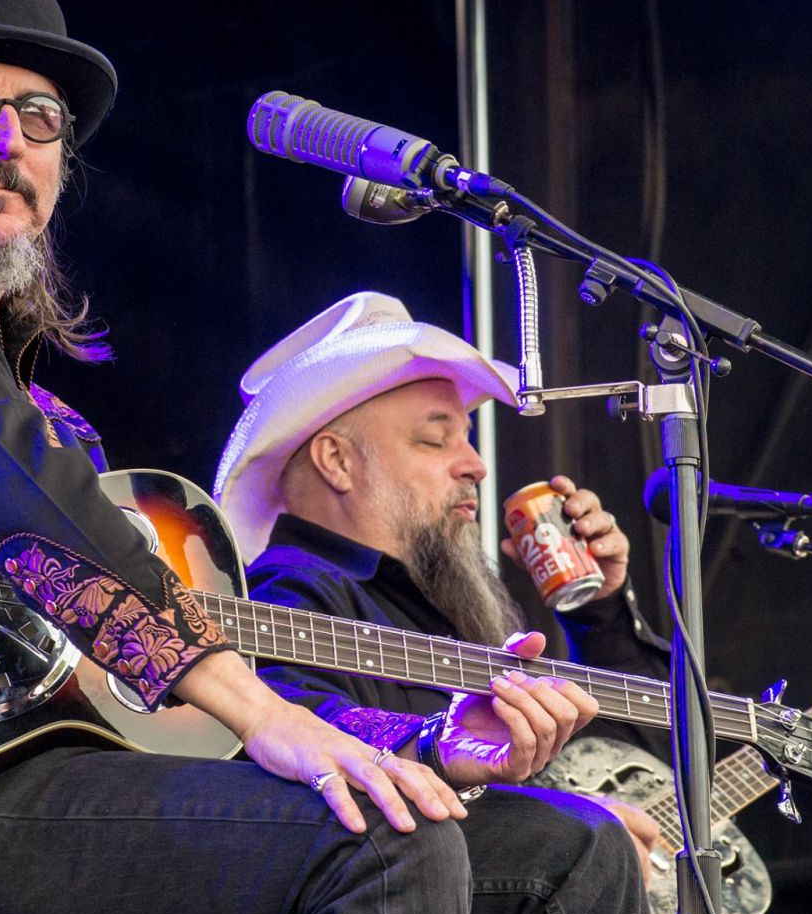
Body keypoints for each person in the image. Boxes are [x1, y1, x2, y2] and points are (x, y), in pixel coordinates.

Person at [0, 0, 652, 914]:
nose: (9, 142)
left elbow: (132, 695)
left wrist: (422, 745)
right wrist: (265, 712)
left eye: (41, 119)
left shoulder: (20, 386)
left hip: (46, 778)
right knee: (380, 844)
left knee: (573, 849)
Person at [212, 292, 675, 872]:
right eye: (435, 440)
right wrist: (552, 816)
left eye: (468, 437)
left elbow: (651, 768)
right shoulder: (287, 590)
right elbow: (300, 729)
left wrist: (598, 611)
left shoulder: (435, 601)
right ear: (337, 462)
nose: (476, 464)